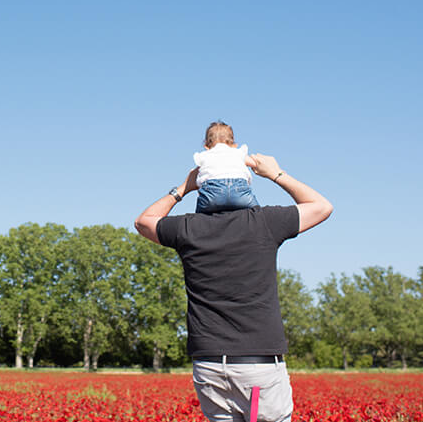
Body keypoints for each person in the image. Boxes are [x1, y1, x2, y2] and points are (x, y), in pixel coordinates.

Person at [134, 153, 333, 422]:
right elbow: (321, 206)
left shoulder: (188, 228)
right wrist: (276, 174)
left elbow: (143, 221)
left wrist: (182, 188)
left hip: (210, 367)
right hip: (256, 367)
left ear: (203, 187)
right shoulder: (265, 222)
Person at [193, 120, 259, 214]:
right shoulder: (238, 153)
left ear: (206, 146)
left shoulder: (204, 155)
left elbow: (198, 170)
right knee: (257, 213)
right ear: (234, 145)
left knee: (199, 216)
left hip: (212, 193)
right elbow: (254, 163)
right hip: (239, 190)